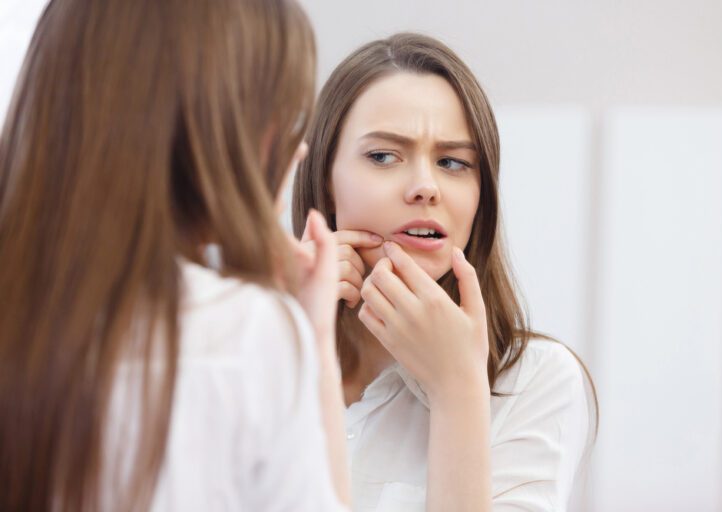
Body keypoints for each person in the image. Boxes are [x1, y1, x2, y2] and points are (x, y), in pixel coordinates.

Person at [0, 0, 349, 510]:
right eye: (285, 114)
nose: (298, 150)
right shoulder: (247, 331)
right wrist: (312, 342)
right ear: (216, 122)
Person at [293, 32, 598, 511]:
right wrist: (282, 341)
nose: (424, 187)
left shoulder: (535, 381)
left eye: (453, 162)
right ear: (325, 182)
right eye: (383, 156)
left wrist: (459, 389)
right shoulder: (254, 346)